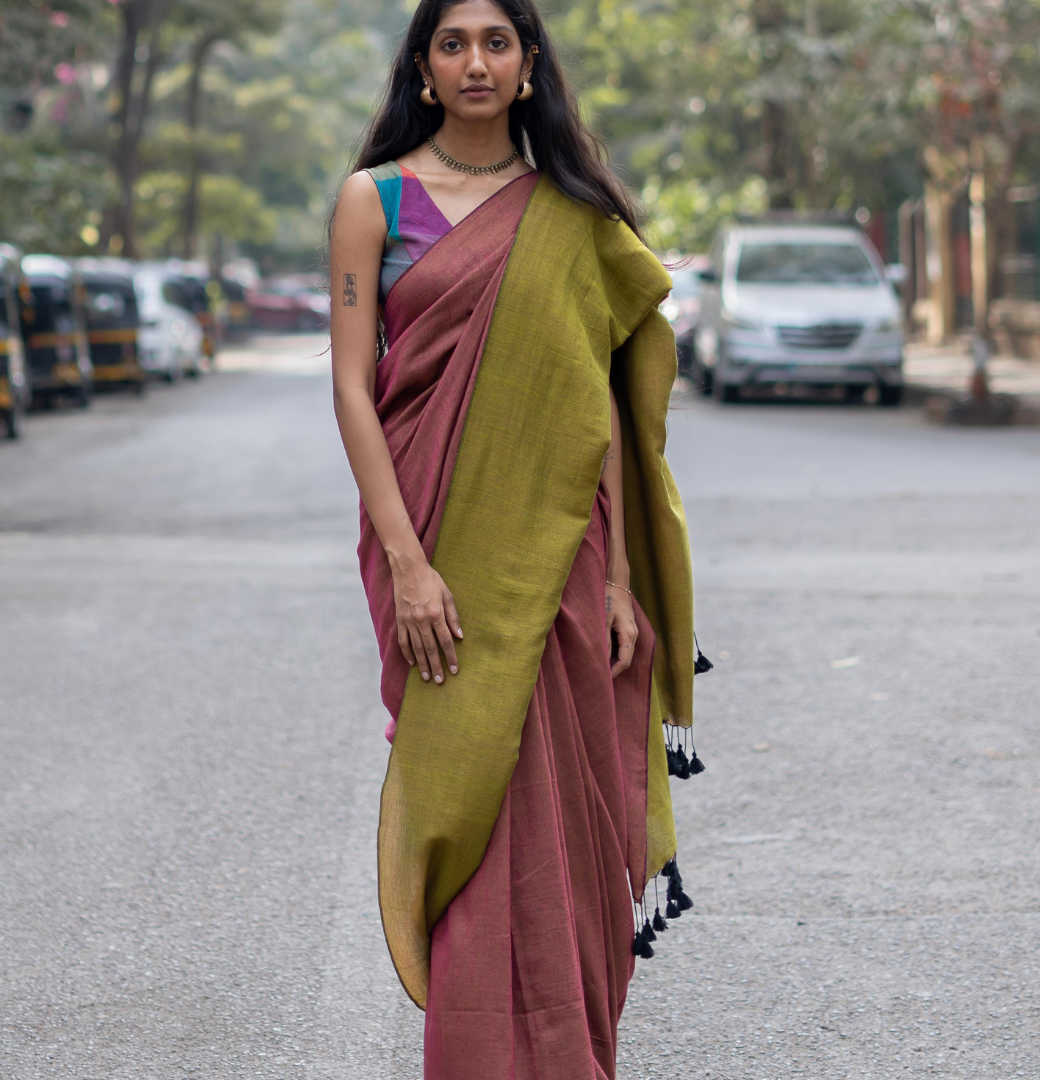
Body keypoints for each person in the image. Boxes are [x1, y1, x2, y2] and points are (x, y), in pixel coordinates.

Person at [329, 0, 696, 1075]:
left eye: (497, 42)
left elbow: (603, 414)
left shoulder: (573, 216)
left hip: (568, 554)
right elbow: (355, 389)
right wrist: (407, 564)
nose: (476, 61)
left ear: (530, 67)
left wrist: (623, 579)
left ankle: (571, 1047)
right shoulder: (374, 200)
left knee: (569, 805)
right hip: (432, 533)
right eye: (453, 44)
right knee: (471, 781)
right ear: (424, 69)